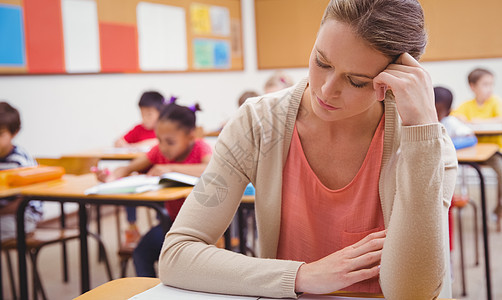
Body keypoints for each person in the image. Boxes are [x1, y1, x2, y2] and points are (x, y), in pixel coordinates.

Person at [159, 0, 457, 299]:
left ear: (393, 80)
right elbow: (177, 254)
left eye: (356, 81)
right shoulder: (257, 124)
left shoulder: (427, 145)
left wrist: (421, 130)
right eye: (322, 62)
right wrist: (302, 275)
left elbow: (412, 293)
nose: (327, 90)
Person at [95, 102, 212, 277]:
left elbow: (211, 169)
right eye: (160, 140)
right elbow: (127, 168)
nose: (163, 147)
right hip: (173, 224)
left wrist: (171, 168)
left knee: (190, 267)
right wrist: (112, 176)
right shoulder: (159, 152)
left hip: (206, 227)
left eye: (170, 142)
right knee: (141, 253)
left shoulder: (200, 148)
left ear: (190, 136)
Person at [435, 86, 502, 228]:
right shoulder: (427, 121)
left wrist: (447, 144)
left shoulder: (450, 122)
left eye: (438, 111)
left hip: (453, 159)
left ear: (448, 112)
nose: (435, 114)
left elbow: (470, 137)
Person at [0, 101, 43, 241]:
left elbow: (25, 199)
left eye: (0, 134)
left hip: (23, 216)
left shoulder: (20, 161)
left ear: (14, 132)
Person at [451, 68, 502, 148]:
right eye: (485, 85)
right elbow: (453, 115)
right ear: (472, 86)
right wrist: (461, 118)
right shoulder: (467, 104)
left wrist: (481, 121)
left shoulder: (495, 101)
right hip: (475, 148)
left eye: (491, 84)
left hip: (495, 148)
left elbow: (500, 118)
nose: (490, 89)